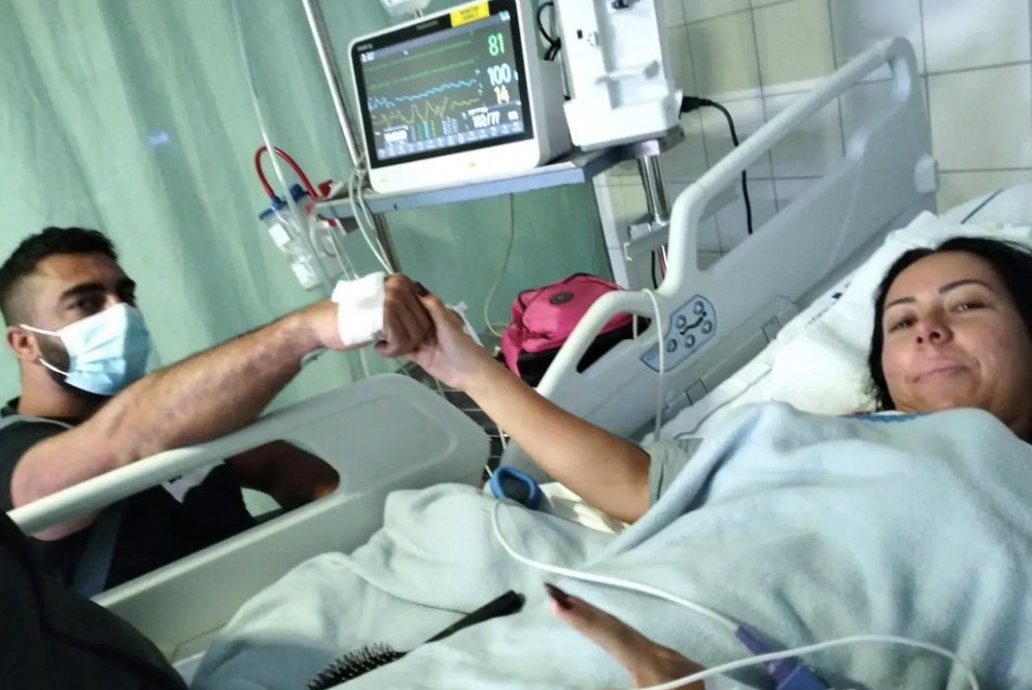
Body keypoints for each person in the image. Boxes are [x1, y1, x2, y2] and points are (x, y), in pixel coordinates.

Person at [403, 234, 1032, 687]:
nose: (928, 329)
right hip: (553, 643)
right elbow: (631, 481)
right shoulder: (801, 433)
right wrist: (468, 370)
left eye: (967, 305)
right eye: (901, 322)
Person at [0, 226, 432, 593]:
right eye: (87, 303)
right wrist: (304, 331)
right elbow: (120, 442)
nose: (121, 314)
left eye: (125, 296)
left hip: (287, 599)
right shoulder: (15, 452)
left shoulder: (168, 411)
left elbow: (279, 467)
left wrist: (379, 531)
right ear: (24, 342)